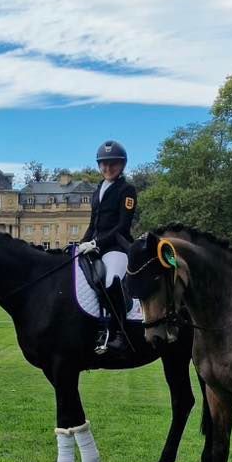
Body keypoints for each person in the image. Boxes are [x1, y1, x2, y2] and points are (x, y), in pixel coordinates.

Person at [78, 140, 137, 354]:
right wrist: (81, 244)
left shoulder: (127, 190)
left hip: (117, 247)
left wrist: (96, 243)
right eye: (104, 164)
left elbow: (122, 226)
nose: (108, 168)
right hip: (96, 247)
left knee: (111, 280)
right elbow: (93, 224)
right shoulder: (98, 191)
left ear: (122, 165)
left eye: (113, 164)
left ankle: (120, 333)